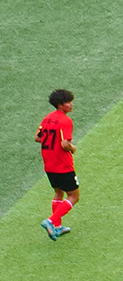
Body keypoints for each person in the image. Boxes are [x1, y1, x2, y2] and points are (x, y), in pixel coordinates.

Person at [38, 88, 78, 239]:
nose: (71, 104)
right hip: (62, 163)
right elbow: (65, 144)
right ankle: (50, 221)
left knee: (58, 192)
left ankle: (57, 227)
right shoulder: (65, 121)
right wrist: (72, 148)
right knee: (74, 196)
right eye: (68, 102)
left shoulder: (47, 118)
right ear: (60, 105)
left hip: (49, 163)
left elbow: (38, 137)